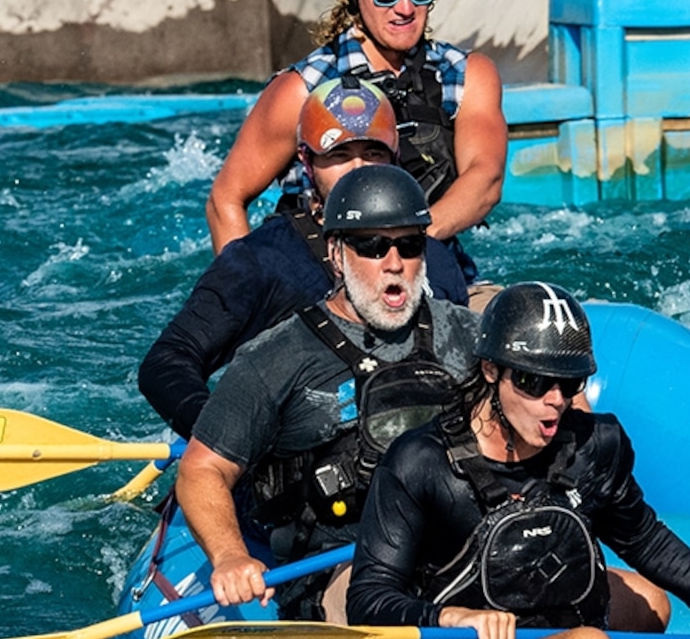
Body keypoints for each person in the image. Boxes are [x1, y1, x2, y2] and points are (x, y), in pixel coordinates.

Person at [349, 283, 690, 639]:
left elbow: (643, 538)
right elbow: (369, 599)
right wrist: (452, 618)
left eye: (569, 382)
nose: (555, 401)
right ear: (490, 370)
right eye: (533, 381)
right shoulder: (420, 462)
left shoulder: (595, 444)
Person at [174, 164, 477, 623]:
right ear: (336, 253)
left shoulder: (468, 335)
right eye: (372, 246)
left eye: (410, 245)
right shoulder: (276, 357)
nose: (394, 263)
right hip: (339, 568)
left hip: (460, 545)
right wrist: (230, 556)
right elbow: (201, 470)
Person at [139, 79, 468, 438]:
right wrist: (225, 437)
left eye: (372, 153)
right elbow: (166, 363)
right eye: (338, 156)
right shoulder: (261, 261)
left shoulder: (432, 259)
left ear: (394, 157)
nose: (357, 168)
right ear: (307, 162)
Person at [204, 0, 506, 293]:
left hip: (436, 279)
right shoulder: (300, 90)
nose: (405, 8)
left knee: (521, 337)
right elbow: (225, 200)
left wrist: (403, 246)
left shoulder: (466, 77)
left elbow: (486, 178)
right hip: (325, 294)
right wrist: (247, 299)